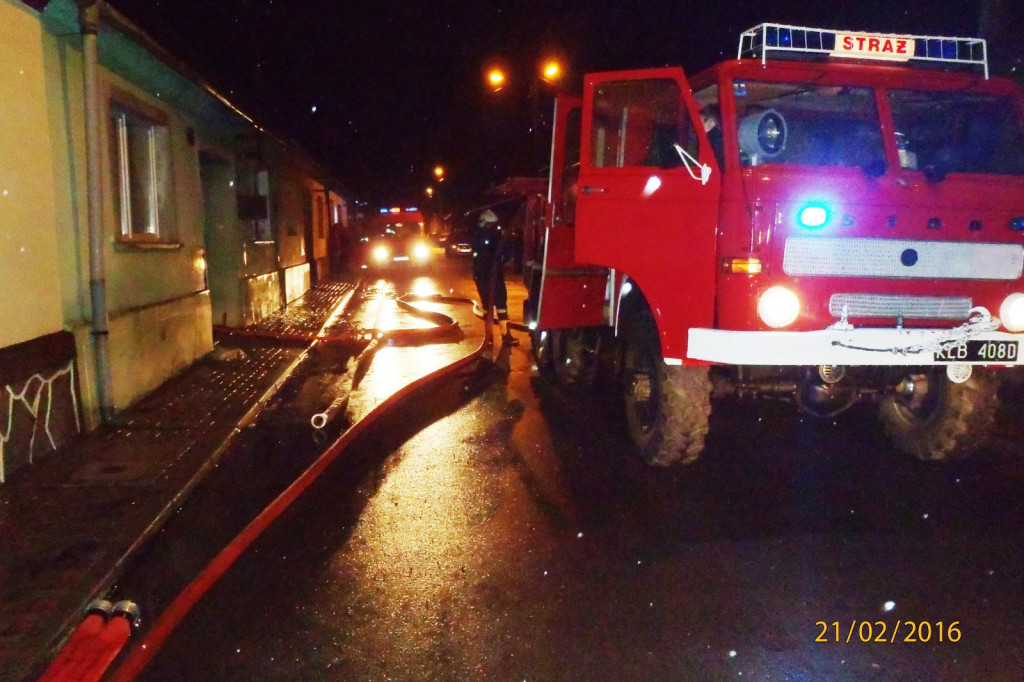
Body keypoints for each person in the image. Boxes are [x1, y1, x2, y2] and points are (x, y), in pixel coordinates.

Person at [471, 209, 518, 345]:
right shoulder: (495, 238)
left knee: (488, 306)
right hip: (493, 276)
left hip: (482, 276)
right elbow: (506, 254)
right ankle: (503, 336)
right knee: (500, 305)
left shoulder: (478, 236)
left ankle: (489, 337)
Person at [700, 103, 725, 170]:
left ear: (711, 122)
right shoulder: (722, 137)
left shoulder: (712, 139)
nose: (700, 126)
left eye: (701, 122)